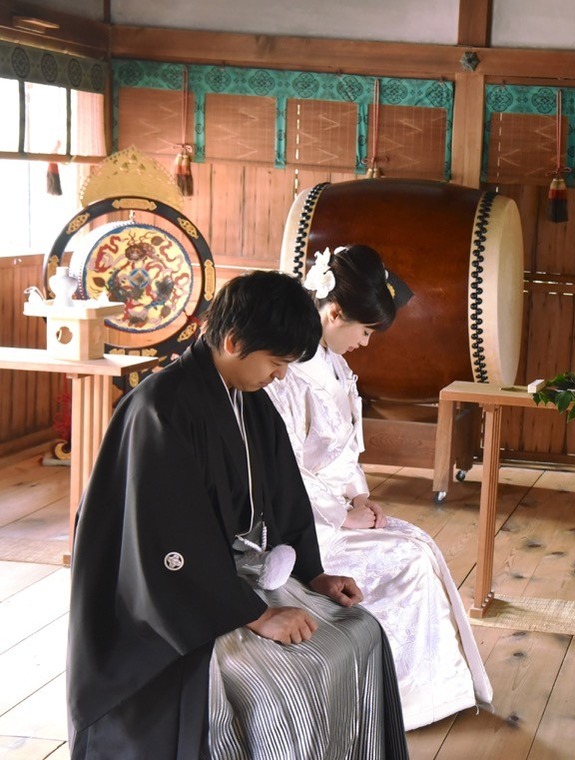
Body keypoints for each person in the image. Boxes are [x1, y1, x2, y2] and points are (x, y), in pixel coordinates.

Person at [67, 270, 410, 760]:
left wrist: (313, 575)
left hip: (230, 581)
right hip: (166, 607)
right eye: (276, 361)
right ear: (232, 341)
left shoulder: (250, 399)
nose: (282, 375)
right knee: (288, 685)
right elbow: (166, 543)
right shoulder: (159, 410)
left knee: (362, 634)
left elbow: (287, 497)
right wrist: (255, 615)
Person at [265, 244, 493, 730]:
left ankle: (417, 695)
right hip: (300, 523)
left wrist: (360, 495)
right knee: (406, 559)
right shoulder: (286, 373)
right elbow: (279, 467)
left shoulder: (335, 365)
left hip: (333, 507)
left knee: (419, 545)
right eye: (364, 331)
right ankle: (386, 704)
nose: (366, 343)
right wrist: (338, 512)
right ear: (334, 312)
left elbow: (345, 449)